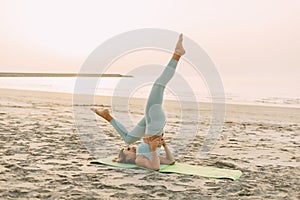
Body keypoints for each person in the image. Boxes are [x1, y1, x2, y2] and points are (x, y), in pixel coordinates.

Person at [91, 34, 185, 170]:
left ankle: (108, 116)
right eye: (128, 150)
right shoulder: (140, 159)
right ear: (128, 158)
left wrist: (163, 146)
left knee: (129, 138)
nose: (131, 148)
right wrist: (154, 149)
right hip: (154, 124)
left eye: (127, 149)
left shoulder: (140, 154)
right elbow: (156, 167)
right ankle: (177, 54)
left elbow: (170, 162)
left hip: (151, 124)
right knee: (158, 85)